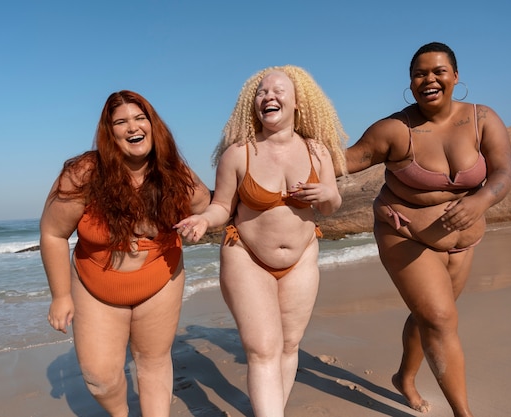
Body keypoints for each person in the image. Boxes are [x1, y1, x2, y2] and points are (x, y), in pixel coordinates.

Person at [343, 42, 511, 416]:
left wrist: (480, 200)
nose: (429, 79)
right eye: (420, 73)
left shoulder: (482, 119)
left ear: (455, 76)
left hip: (462, 243)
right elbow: (343, 161)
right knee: (439, 318)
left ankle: (404, 377)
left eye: (438, 71)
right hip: (405, 234)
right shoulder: (394, 129)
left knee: (431, 316)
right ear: (411, 82)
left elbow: (503, 172)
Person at [175, 65, 347, 417]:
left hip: (301, 259)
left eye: (278, 90)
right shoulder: (239, 153)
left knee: (289, 346)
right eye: (261, 92)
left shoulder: (318, 152)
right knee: (263, 350)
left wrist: (328, 191)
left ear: (298, 102)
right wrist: (204, 219)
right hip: (247, 258)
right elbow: (223, 206)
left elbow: (330, 208)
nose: (268, 96)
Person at [39, 90, 211, 417]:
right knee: (100, 378)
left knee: (153, 361)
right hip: (96, 286)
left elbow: (207, 206)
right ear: (110, 132)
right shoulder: (84, 173)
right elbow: (52, 233)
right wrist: (60, 296)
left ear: (152, 124)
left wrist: (201, 223)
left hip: (161, 279)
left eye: (139, 118)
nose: (132, 127)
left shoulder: (173, 171)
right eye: (120, 122)